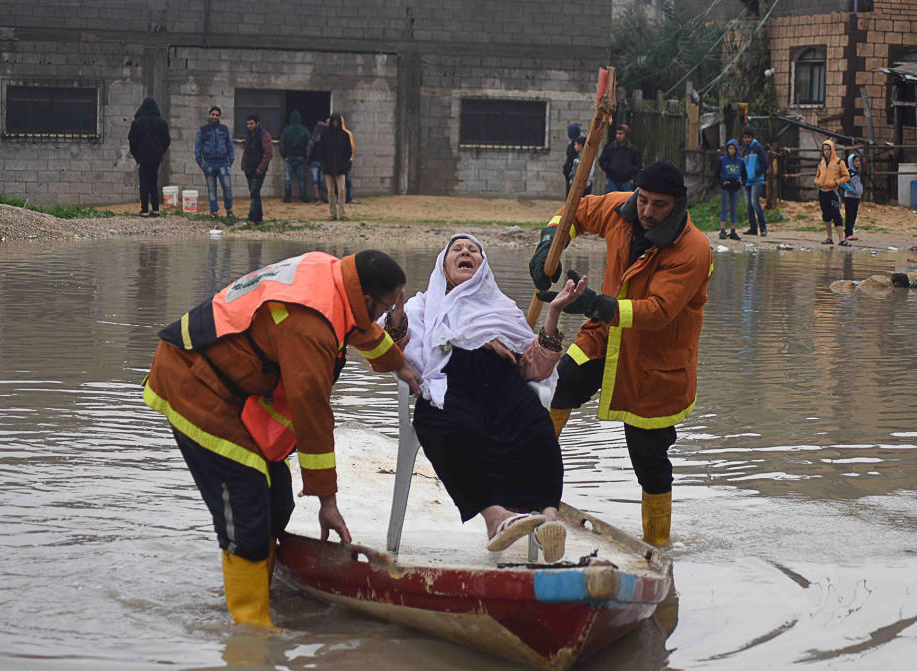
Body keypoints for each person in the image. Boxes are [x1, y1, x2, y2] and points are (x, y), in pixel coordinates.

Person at [142, 250, 421, 628]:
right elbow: (313, 415)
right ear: (368, 298)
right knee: (247, 512)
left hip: (232, 387)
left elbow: (360, 329)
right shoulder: (310, 325)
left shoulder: (333, 275)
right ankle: (252, 634)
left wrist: (399, 364)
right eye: (387, 306)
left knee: (276, 501)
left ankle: (263, 587)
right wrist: (327, 501)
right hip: (195, 385)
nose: (386, 315)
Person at [529, 161, 713, 547]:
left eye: (658, 205)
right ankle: (529, 485)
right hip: (602, 339)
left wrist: (594, 304)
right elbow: (572, 212)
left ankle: (658, 546)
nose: (647, 211)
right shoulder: (620, 209)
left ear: (678, 204)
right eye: (643, 200)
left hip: (654, 364)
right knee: (557, 390)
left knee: (648, 458)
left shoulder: (693, 249)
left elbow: (659, 311)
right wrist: (549, 245)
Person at [383, 234, 586, 563]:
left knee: (538, 431)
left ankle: (549, 521)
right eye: (457, 250)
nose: (465, 252)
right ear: (444, 265)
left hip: (505, 386)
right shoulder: (422, 306)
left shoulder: (502, 307)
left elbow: (533, 367)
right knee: (444, 429)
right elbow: (397, 348)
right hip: (451, 385)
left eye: (473, 249)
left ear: (482, 266)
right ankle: (496, 520)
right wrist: (397, 312)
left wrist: (554, 313)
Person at [127, 97, 171, 217]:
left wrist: (135, 153)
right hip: (156, 157)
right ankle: (156, 209)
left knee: (144, 182)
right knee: (153, 182)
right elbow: (166, 140)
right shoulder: (161, 123)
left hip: (142, 157)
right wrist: (160, 152)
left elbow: (132, 139)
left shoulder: (137, 122)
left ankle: (145, 210)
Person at [195, 106, 236, 220]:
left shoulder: (224, 129)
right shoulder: (203, 130)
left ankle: (229, 210)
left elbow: (230, 144)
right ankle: (213, 211)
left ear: (219, 117)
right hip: (208, 164)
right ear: (209, 115)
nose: (214, 117)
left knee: (227, 187)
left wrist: (231, 160)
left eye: (217, 115)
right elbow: (198, 146)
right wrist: (200, 162)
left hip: (223, 163)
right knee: (211, 189)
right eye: (213, 114)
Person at [815, 139, 851, 246]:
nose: (826, 152)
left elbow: (847, 176)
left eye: (828, 150)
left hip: (832, 192)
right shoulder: (821, 162)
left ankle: (841, 238)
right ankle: (829, 237)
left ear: (832, 150)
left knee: (836, 214)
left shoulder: (839, 162)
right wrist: (816, 181)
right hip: (822, 191)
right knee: (826, 214)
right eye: (824, 150)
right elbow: (818, 174)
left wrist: (838, 182)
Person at [320, 112, 353, 221]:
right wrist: (324, 163)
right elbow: (321, 150)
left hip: (340, 168)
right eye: (333, 121)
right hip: (328, 167)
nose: (335, 123)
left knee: (341, 190)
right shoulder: (325, 135)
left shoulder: (345, 135)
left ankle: (342, 213)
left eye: (337, 121)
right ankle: (333, 213)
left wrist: (345, 164)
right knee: (330, 192)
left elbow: (348, 151)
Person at [241, 115, 272, 224]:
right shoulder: (249, 135)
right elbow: (246, 150)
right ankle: (258, 218)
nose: (249, 126)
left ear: (257, 123)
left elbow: (268, 153)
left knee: (254, 192)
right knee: (255, 193)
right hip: (248, 168)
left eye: (251, 123)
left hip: (258, 170)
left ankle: (251, 218)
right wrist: (243, 164)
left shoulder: (264, 135)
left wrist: (260, 168)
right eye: (248, 123)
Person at [715, 139, 746, 240]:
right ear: (727, 149)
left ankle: (733, 230)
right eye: (729, 148)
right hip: (726, 187)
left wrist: (742, 182)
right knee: (724, 208)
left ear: (736, 149)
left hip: (735, 188)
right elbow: (716, 175)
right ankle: (723, 230)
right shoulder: (722, 160)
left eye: (733, 148)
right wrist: (722, 182)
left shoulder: (740, 161)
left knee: (734, 209)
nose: (731, 150)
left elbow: (744, 175)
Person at [598, 124, 642, 194]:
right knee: (612, 201)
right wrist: (610, 169)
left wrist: (630, 170)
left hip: (626, 181)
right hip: (612, 180)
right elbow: (602, 160)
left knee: (625, 201)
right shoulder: (610, 147)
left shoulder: (632, 149)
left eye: (621, 134)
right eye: (617, 133)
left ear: (626, 135)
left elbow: (638, 164)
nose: (618, 136)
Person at [740, 129, 768, 236]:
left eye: (748, 137)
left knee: (755, 203)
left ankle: (763, 228)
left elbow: (765, 164)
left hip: (756, 180)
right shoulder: (745, 150)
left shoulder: (758, 148)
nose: (746, 139)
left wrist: (757, 173)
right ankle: (753, 228)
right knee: (748, 205)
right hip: (747, 181)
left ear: (752, 138)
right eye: (745, 137)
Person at [279, 110, 310, 203]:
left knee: (288, 178)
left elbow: (282, 145)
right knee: (302, 178)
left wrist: (284, 155)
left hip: (289, 157)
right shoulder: (304, 130)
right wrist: (306, 156)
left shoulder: (286, 130)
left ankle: (288, 197)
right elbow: (308, 144)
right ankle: (303, 197)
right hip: (301, 157)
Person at [843, 151, 863, 241]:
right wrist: (850, 189)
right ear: (851, 162)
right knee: (849, 215)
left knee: (854, 215)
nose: (858, 163)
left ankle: (850, 232)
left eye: (859, 161)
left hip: (856, 197)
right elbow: (843, 182)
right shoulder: (848, 172)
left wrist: (860, 189)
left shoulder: (857, 172)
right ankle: (848, 233)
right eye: (855, 161)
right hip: (850, 197)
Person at [307, 120, 327, 204]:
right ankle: (324, 197)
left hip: (314, 160)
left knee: (315, 179)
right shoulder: (325, 138)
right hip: (322, 161)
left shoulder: (312, 138)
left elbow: (309, 150)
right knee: (321, 179)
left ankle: (317, 197)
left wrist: (308, 159)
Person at [562, 122, 583, 198]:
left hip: (574, 175)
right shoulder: (572, 142)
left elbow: (573, 160)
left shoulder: (577, 144)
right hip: (570, 174)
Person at [341, 115, 356, 204]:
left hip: (346, 160)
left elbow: (352, 147)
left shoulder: (347, 133)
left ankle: (348, 198)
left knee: (348, 180)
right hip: (339, 160)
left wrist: (350, 158)